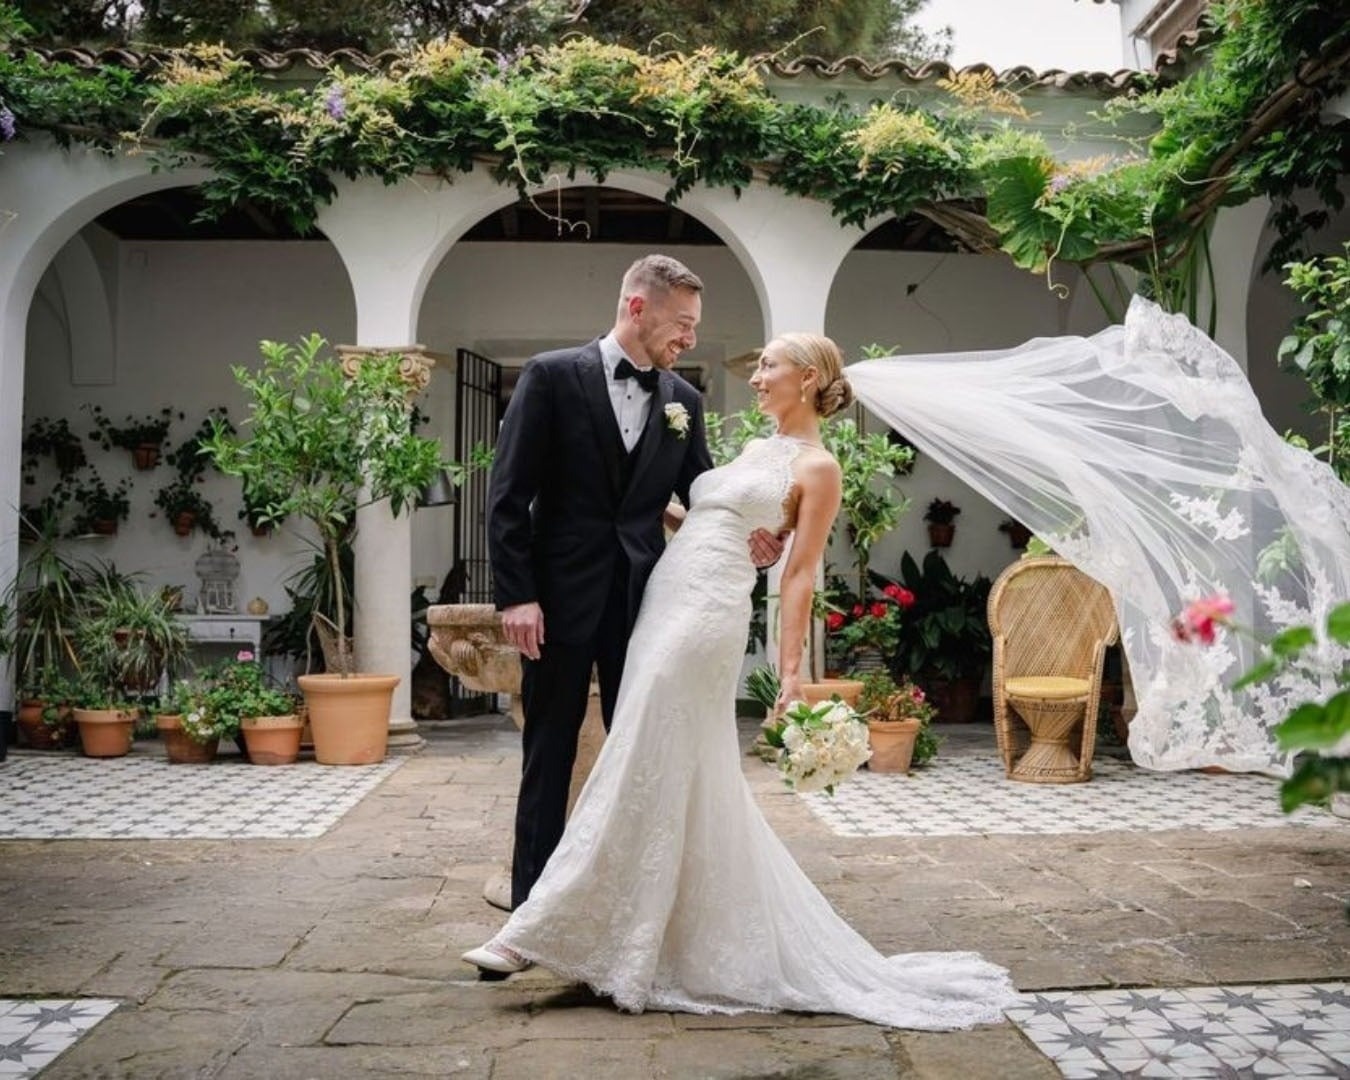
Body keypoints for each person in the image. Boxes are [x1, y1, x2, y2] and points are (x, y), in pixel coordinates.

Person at [465, 332, 1017, 1031]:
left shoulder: (819, 468)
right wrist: (687, 518)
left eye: (767, 366)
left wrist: (791, 670)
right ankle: (630, 927)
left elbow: (800, 573)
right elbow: (706, 516)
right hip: (664, 601)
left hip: (705, 617)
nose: (754, 378)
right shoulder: (758, 452)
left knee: (635, 753)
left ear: (810, 377)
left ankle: (533, 928)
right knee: (662, 766)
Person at [486, 254, 782, 916]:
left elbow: (703, 498)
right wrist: (518, 595)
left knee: (641, 754)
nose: (690, 339)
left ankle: (626, 907)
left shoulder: (685, 402)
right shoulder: (552, 377)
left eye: (696, 326)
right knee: (549, 752)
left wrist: (753, 541)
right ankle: (530, 906)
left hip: (649, 603)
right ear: (637, 307)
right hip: (558, 601)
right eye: (681, 323)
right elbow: (508, 496)